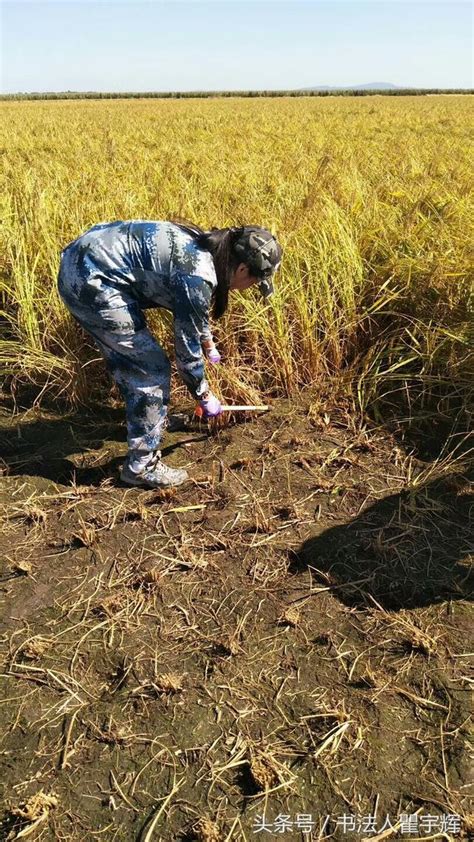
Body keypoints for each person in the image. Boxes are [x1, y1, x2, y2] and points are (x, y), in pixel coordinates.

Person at [58, 220, 282, 488]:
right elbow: (186, 356)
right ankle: (141, 466)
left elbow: (194, 312)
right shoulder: (198, 274)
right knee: (150, 369)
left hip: (88, 261)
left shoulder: (210, 248)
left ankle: (148, 419)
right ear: (243, 268)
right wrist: (204, 395)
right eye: (255, 281)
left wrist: (208, 344)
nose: (251, 287)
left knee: (135, 362)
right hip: (91, 280)